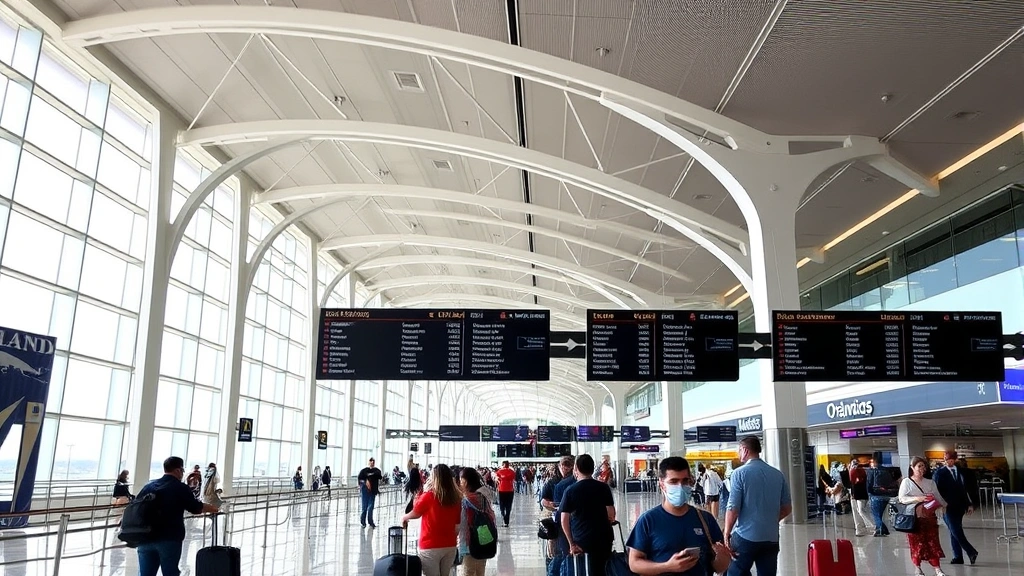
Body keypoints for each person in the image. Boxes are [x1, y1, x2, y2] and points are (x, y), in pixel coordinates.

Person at [627, 457, 732, 575]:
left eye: (685, 481)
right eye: (673, 481)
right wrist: (668, 566)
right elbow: (634, 563)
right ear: (662, 485)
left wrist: (723, 557)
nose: (680, 486)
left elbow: (719, 568)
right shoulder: (648, 520)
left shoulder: (705, 519)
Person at [136, 456, 220, 576]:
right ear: (178, 470)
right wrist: (212, 508)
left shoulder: (149, 485)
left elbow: (136, 506)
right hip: (169, 537)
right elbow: (195, 507)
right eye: (182, 470)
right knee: (170, 572)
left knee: (145, 573)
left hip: (145, 537)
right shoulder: (180, 487)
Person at [724, 436, 791, 576]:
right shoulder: (778, 474)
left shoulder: (739, 473)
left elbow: (733, 508)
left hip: (745, 536)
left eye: (739, 450)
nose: (738, 454)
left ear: (744, 450)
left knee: (735, 571)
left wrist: (726, 533)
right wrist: (770, 520)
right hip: (771, 537)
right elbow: (787, 508)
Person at [558, 454, 615, 576]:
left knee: (583, 570)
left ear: (576, 468)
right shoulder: (603, 487)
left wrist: (571, 543)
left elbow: (564, 519)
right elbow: (611, 514)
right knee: (602, 570)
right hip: (604, 539)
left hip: (581, 540)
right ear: (593, 468)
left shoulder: (570, 490)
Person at [401, 464, 462, 576]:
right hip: (450, 545)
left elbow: (416, 512)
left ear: (435, 478)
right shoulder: (456, 499)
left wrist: (405, 517)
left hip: (430, 545)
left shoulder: (429, 496)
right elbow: (457, 525)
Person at [898, 456, 949, 576]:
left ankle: (937, 568)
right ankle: (917, 568)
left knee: (933, 542)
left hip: (930, 518)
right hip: (915, 519)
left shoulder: (930, 482)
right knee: (916, 544)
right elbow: (902, 498)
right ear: (912, 468)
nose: (922, 469)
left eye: (923, 466)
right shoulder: (907, 482)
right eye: (919, 466)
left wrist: (944, 505)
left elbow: (938, 496)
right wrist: (917, 498)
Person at [933, 450, 978, 565]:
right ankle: (970, 551)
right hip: (946, 507)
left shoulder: (961, 472)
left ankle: (958, 557)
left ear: (955, 459)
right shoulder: (939, 473)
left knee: (954, 531)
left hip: (960, 506)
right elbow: (936, 491)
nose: (949, 462)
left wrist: (969, 504)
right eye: (947, 460)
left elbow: (964, 490)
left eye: (951, 460)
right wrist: (940, 504)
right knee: (955, 530)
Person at [458, 467, 496, 576]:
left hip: (469, 543)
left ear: (465, 481)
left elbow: (463, 525)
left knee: (467, 572)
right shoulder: (485, 495)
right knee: (480, 572)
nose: (460, 483)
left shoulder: (466, 501)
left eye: (461, 480)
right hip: (485, 538)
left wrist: (460, 545)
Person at [866, 455, 896, 537]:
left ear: (875, 462)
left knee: (876, 514)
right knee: (881, 514)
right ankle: (882, 529)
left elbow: (869, 483)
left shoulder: (872, 471)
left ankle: (882, 529)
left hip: (875, 495)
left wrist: (869, 493)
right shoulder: (886, 470)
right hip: (886, 495)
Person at [848, 459, 873, 537]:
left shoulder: (857, 471)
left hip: (859, 494)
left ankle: (871, 526)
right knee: (857, 511)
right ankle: (859, 529)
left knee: (860, 510)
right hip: (855, 494)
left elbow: (855, 482)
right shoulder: (857, 471)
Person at [357, 457, 383, 528]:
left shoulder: (377, 470)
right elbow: (360, 479)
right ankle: (363, 522)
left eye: (373, 461)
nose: (372, 462)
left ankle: (370, 521)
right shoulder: (363, 471)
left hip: (373, 491)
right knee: (364, 507)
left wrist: (369, 476)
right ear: (368, 462)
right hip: (365, 491)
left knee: (370, 507)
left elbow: (379, 476)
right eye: (370, 461)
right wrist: (366, 481)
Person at [494, 461, 516, 527]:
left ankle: (503, 516)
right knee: (509, 506)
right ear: (508, 465)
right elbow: (513, 479)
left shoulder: (499, 471)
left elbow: (496, 479)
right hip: (510, 490)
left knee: (502, 505)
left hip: (501, 490)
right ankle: (507, 521)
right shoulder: (512, 472)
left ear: (502, 465)